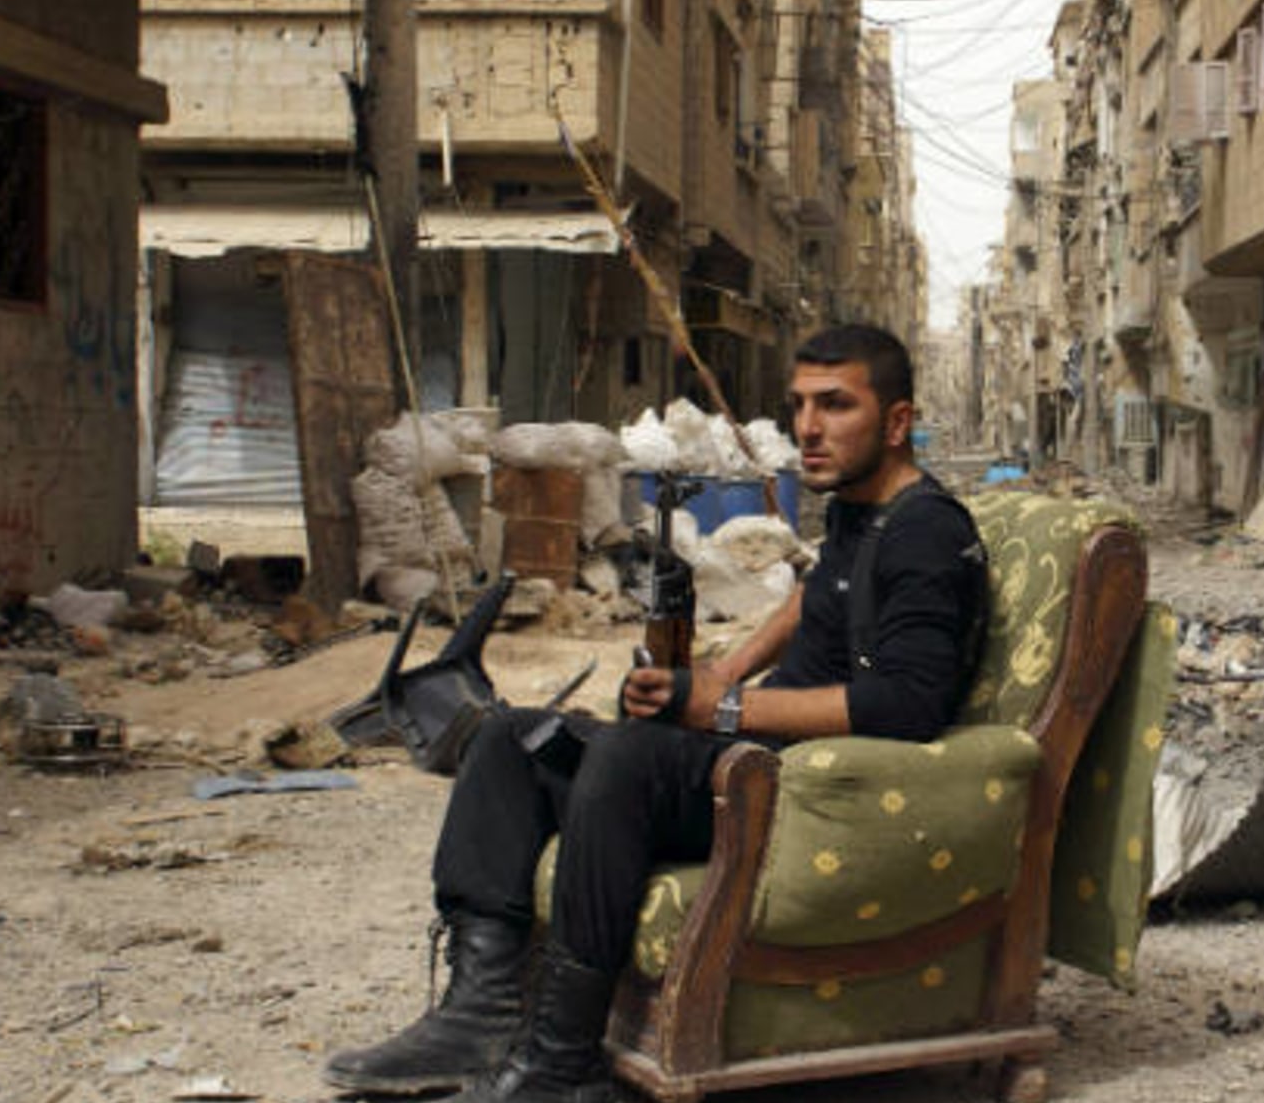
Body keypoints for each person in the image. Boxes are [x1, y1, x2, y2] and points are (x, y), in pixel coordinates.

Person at [324, 325, 988, 1103]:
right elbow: (818, 598)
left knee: (627, 757)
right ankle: (480, 1014)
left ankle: (563, 1064)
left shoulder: (927, 533)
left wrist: (724, 707)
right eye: (800, 404)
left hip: (795, 789)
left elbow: (906, 703)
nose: (808, 427)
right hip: (748, 754)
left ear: (898, 421)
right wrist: (714, 672)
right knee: (510, 738)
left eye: (836, 405)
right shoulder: (858, 509)